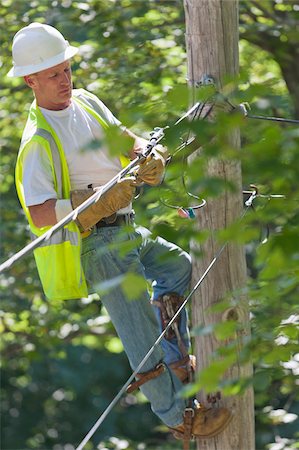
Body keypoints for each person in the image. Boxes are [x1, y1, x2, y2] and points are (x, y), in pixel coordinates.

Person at [8, 22, 232, 444]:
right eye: (53, 73)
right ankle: (177, 417)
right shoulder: (38, 140)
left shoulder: (87, 102)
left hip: (128, 229)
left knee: (180, 269)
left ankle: (179, 362)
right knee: (140, 336)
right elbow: (40, 215)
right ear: (30, 80)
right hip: (99, 246)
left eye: (66, 68)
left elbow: (124, 140)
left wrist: (147, 154)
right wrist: (93, 203)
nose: (64, 79)